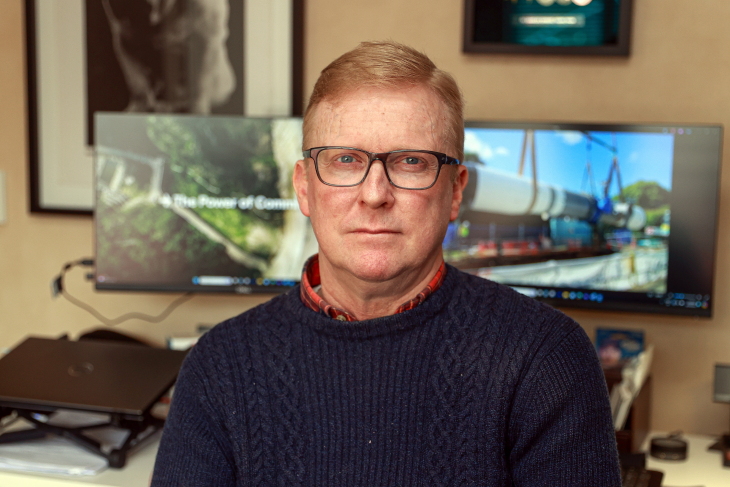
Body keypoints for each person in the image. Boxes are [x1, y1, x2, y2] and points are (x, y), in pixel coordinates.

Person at [151, 41, 621, 486]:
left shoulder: (547, 360)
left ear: (456, 191)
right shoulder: (219, 367)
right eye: (344, 160)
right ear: (303, 187)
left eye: (412, 162)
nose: (374, 194)